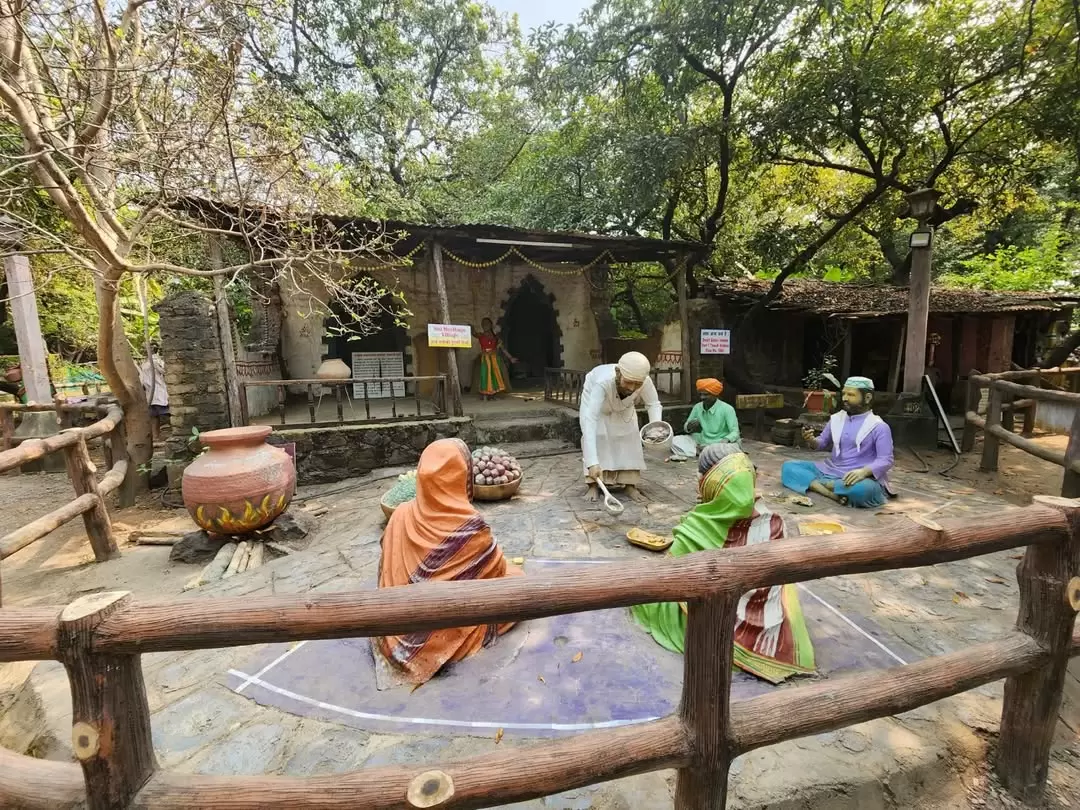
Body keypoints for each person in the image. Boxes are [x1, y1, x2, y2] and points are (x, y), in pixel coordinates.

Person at [631, 442, 816, 684]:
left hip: (718, 623)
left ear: (710, 482)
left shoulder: (697, 527)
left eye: (700, 476)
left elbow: (673, 582)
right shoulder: (773, 522)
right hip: (768, 628)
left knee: (645, 598)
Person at [376, 438, 523, 684]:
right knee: (517, 582)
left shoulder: (400, 513)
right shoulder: (471, 528)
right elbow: (495, 574)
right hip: (438, 627)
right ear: (460, 477)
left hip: (391, 622)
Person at [780, 376, 895, 508]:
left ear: (867, 398)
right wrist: (811, 440)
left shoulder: (879, 426)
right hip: (829, 470)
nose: (845, 398)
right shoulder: (836, 419)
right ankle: (830, 493)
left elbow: (886, 460)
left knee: (863, 490)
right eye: (844, 393)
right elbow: (822, 442)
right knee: (788, 467)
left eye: (851, 394)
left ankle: (818, 484)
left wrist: (863, 472)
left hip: (856, 477)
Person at [579, 351, 662, 504]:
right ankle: (593, 484)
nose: (632, 388)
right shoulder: (601, 382)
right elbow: (590, 419)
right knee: (598, 436)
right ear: (618, 373)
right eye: (628, 382)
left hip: (625, 410)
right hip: (596, 410)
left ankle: (630, 484)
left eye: (637, 384)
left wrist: (656, 430)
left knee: (630, 439)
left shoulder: (644, 380)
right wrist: (592, 462)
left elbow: (653, 404)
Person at [471, 318, 517, 400]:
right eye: (483, 324)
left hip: (494, 359)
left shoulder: (496, 338)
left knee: (495, 376)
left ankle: (493, 395)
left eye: (487, 324)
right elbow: (473, 333)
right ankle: (486, 395)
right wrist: (471, 327)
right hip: (485, 359)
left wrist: (511, 358)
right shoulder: (480, 335)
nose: (485, 325)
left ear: (491, 325)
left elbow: (503, 349)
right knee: (485, 376)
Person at [139, 344, 169, 442]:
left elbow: (164, 371)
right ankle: (156, 436)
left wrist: (156, 364)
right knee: (153, 415)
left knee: (166, 412)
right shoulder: (145, 361)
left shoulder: (157, 361)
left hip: (158, 390)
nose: (144, 350)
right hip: (149, 392)